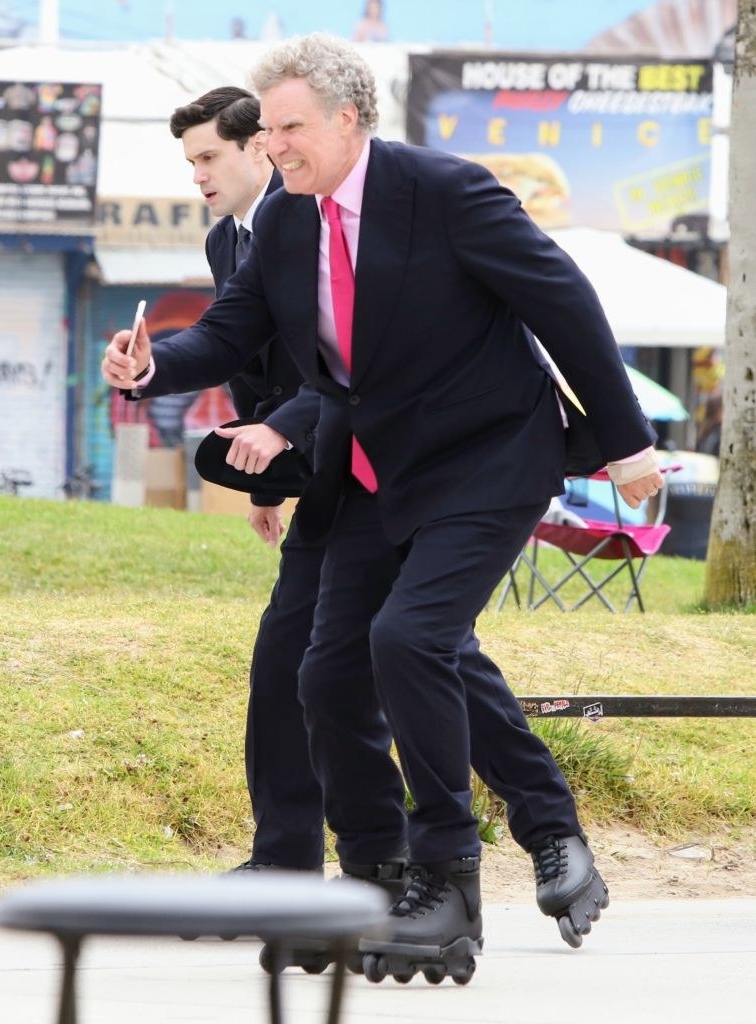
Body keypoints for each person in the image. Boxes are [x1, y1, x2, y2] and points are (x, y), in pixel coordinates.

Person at [103, 34, 663, 980]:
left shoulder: (445, 191)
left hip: (488, 459)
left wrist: (627, 441)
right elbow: (238, 328)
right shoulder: (287, 221)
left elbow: (562, 299)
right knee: (323, 675)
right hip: (374, 469)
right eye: (267, 130)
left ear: (348, 119)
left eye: (289, 127)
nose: (273, 145)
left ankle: (449, 875)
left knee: (408, 640)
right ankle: (375, 877)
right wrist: (155, 364)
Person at [168, 86, 326, 874]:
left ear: (257, 147)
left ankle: (535, 823)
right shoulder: (224, 241)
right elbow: (239, 353)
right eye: (189, 160)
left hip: (389, 463)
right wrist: (265, 478)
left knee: (425, 656)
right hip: (315, 464)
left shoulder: (318, 219)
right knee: (285, 659)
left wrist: (286, 433)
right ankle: (285, 862)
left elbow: (344, 363)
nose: (196, 174)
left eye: (207, 157)